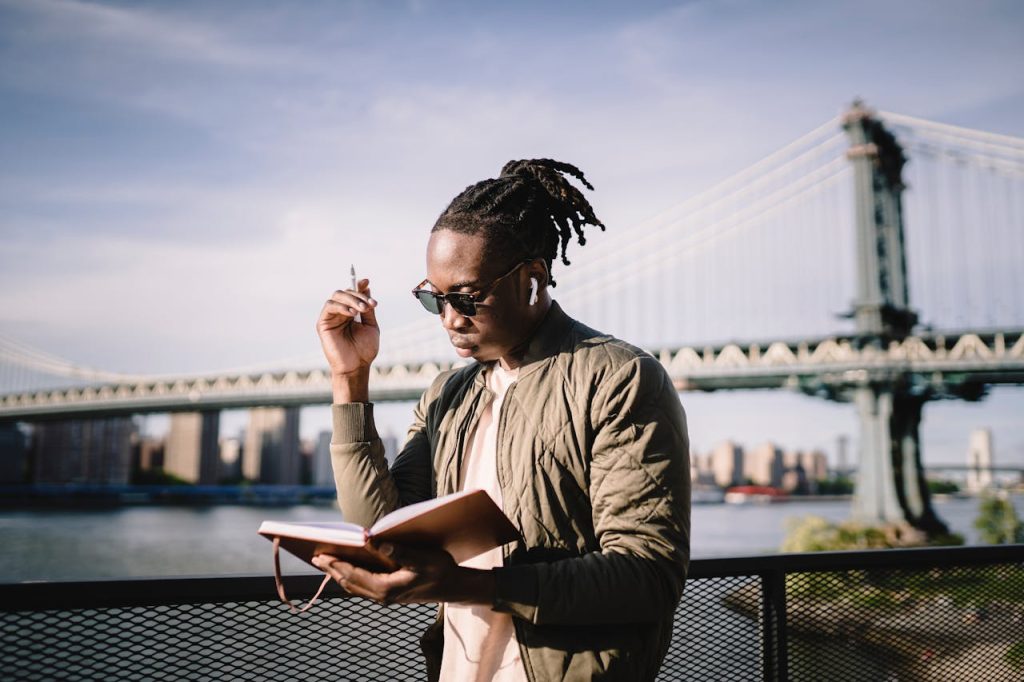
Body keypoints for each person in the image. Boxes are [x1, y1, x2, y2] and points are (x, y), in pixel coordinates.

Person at [313, 159, 691, 682]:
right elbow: (379, 524)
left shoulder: (618, 378)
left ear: (533, 278)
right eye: (434, 299)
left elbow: (648, 575)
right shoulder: (449, 394)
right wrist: (349, 377)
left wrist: (460, 586)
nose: (450, 318)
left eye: (467, 297)